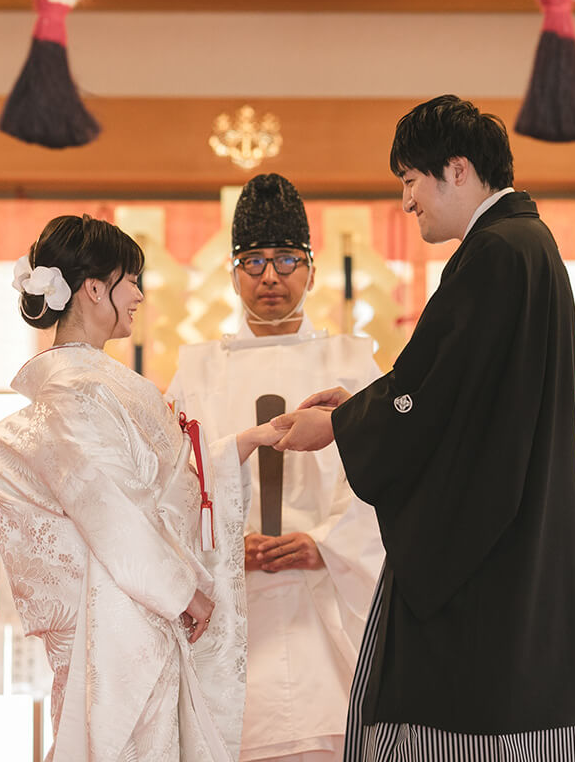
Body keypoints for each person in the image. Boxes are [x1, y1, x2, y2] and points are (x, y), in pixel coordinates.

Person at [272, 96, 575, 761]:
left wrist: (342, 426)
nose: (406, 203)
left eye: (409, 180)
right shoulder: (531, 248)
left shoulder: (496, 254)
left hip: (479, 579)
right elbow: (454, 395)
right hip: (520, 559)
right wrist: (362, 406)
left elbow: (435, 403)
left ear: (457, 170)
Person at [0, 215, 281, 762]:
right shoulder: (78, 391)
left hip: (128, 616)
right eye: (130, 280)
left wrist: (249, 441)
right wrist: (181, 589)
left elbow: (156, 487)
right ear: (94, 288)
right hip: (117, 629)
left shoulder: (89, 385)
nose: (139, 295)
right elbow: (111, 511)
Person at [167, 174, 385, 762]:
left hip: (327, 604)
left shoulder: (353, 362)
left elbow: (390, 479)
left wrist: (326, 545)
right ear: (232, 272)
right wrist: (219, 546)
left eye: (286, 260)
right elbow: (172, 483)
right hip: (233, 611)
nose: (270, 276)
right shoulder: (199, 372)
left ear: (311, 270)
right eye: (253, 260)